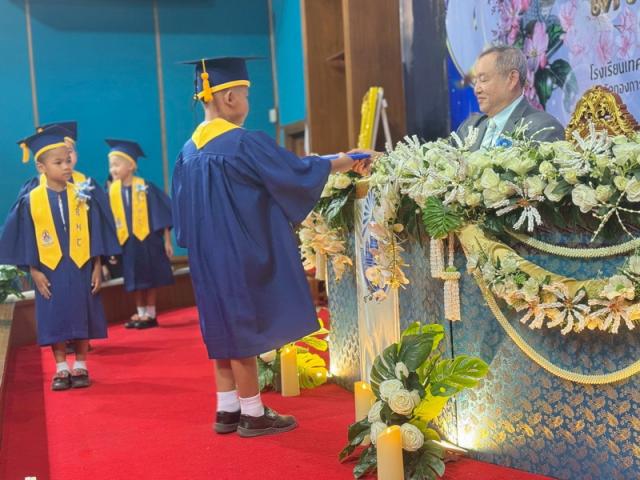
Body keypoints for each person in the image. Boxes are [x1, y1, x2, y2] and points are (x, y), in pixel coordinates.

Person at [172, 57, 360, 437]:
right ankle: (253, 413)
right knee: (243, 328)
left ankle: (227, 408)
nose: (247, 101)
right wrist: (346, 160)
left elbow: (183, 219)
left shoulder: (187, 152)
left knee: (220, 326)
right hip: (240, 254)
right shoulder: (242, 142)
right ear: (229, 98)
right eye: (245, 94)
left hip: (206, 258)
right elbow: (293, 173)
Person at [0, 126, 120, 390]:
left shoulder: (82, 195)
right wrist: (33, 270)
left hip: (81, 265)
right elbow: (27, 238)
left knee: (82, 312)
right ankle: (61, 367)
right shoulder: (31, 200)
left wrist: (97, 265)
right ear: (41, 168)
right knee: (54, 315)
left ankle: (81, 364)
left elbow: (95, 233)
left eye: (68, 160)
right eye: (59, 162)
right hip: (49, 269)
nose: (66, 166)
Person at [106, 139, 174, 329]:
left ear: (131, 166)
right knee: (134, 279)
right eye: (111, 166)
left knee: (151, 277)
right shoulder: (111, 191)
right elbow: (109, 221)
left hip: (149, 241)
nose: (112, 169)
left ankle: (150, 314)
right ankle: (140, 312)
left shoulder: (145, 187)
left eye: (116, 165)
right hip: (128, 244)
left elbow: (162, 213)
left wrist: (167, 241)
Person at [456, 45, 564, 150]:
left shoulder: (542, 128)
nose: (476, 90)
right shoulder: (469, 128)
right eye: (475, 81)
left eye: (483, 79)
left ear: (512, 79)